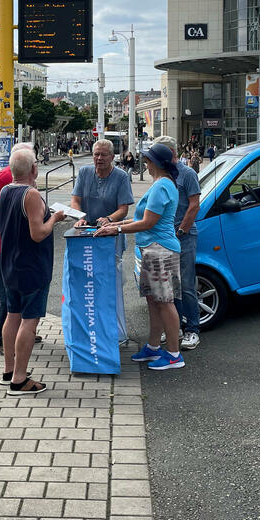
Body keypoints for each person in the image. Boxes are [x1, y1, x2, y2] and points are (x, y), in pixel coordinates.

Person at [94, 143, 184, 371]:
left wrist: (117, 229)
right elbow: (141, 218)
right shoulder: (161, 184)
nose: (145, 162)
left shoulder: (162, 186)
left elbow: (148, 223)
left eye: (148, 159)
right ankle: (153, 347)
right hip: (152, 249)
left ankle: (174, 354)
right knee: (154, 301)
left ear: (156, 163)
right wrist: (115, 223)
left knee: (165, 301)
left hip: (159, 249)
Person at [0, 148, 67, 395]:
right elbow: (38, 233)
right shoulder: (32, 194)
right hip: (32, 267)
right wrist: (56, 217)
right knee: (29, 321)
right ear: (34, 169)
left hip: (10, 264)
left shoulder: (6, 190)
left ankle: (8, 370)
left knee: (12, 315)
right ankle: (19, 379)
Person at [0, 142, 38, 355]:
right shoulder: (5, 176)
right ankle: (0, 340)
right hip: (1, 243)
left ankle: (22, 330)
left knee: (19, 289)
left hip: (14, 243)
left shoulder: (22, 178)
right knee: (6, 294)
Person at [153, 136, 202, 351]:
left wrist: (181, 230)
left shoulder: (188, 174)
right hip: (166, 237)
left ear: (171, 153)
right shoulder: (162, 175)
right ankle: (177, 328)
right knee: (171, 286)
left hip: (184, 235)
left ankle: (193, 330)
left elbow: (194, 206)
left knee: (187, 285)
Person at [70, 140, 135, 244]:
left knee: (111, 259)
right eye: (96, 154)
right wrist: (80, 218)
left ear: (112, 157)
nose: (99, 158)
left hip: (110, 232)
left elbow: (123, 209)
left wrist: (109, 219)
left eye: (104, 155)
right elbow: (75, 200)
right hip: (85, 229)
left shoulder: (121, 177)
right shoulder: (84, 172)